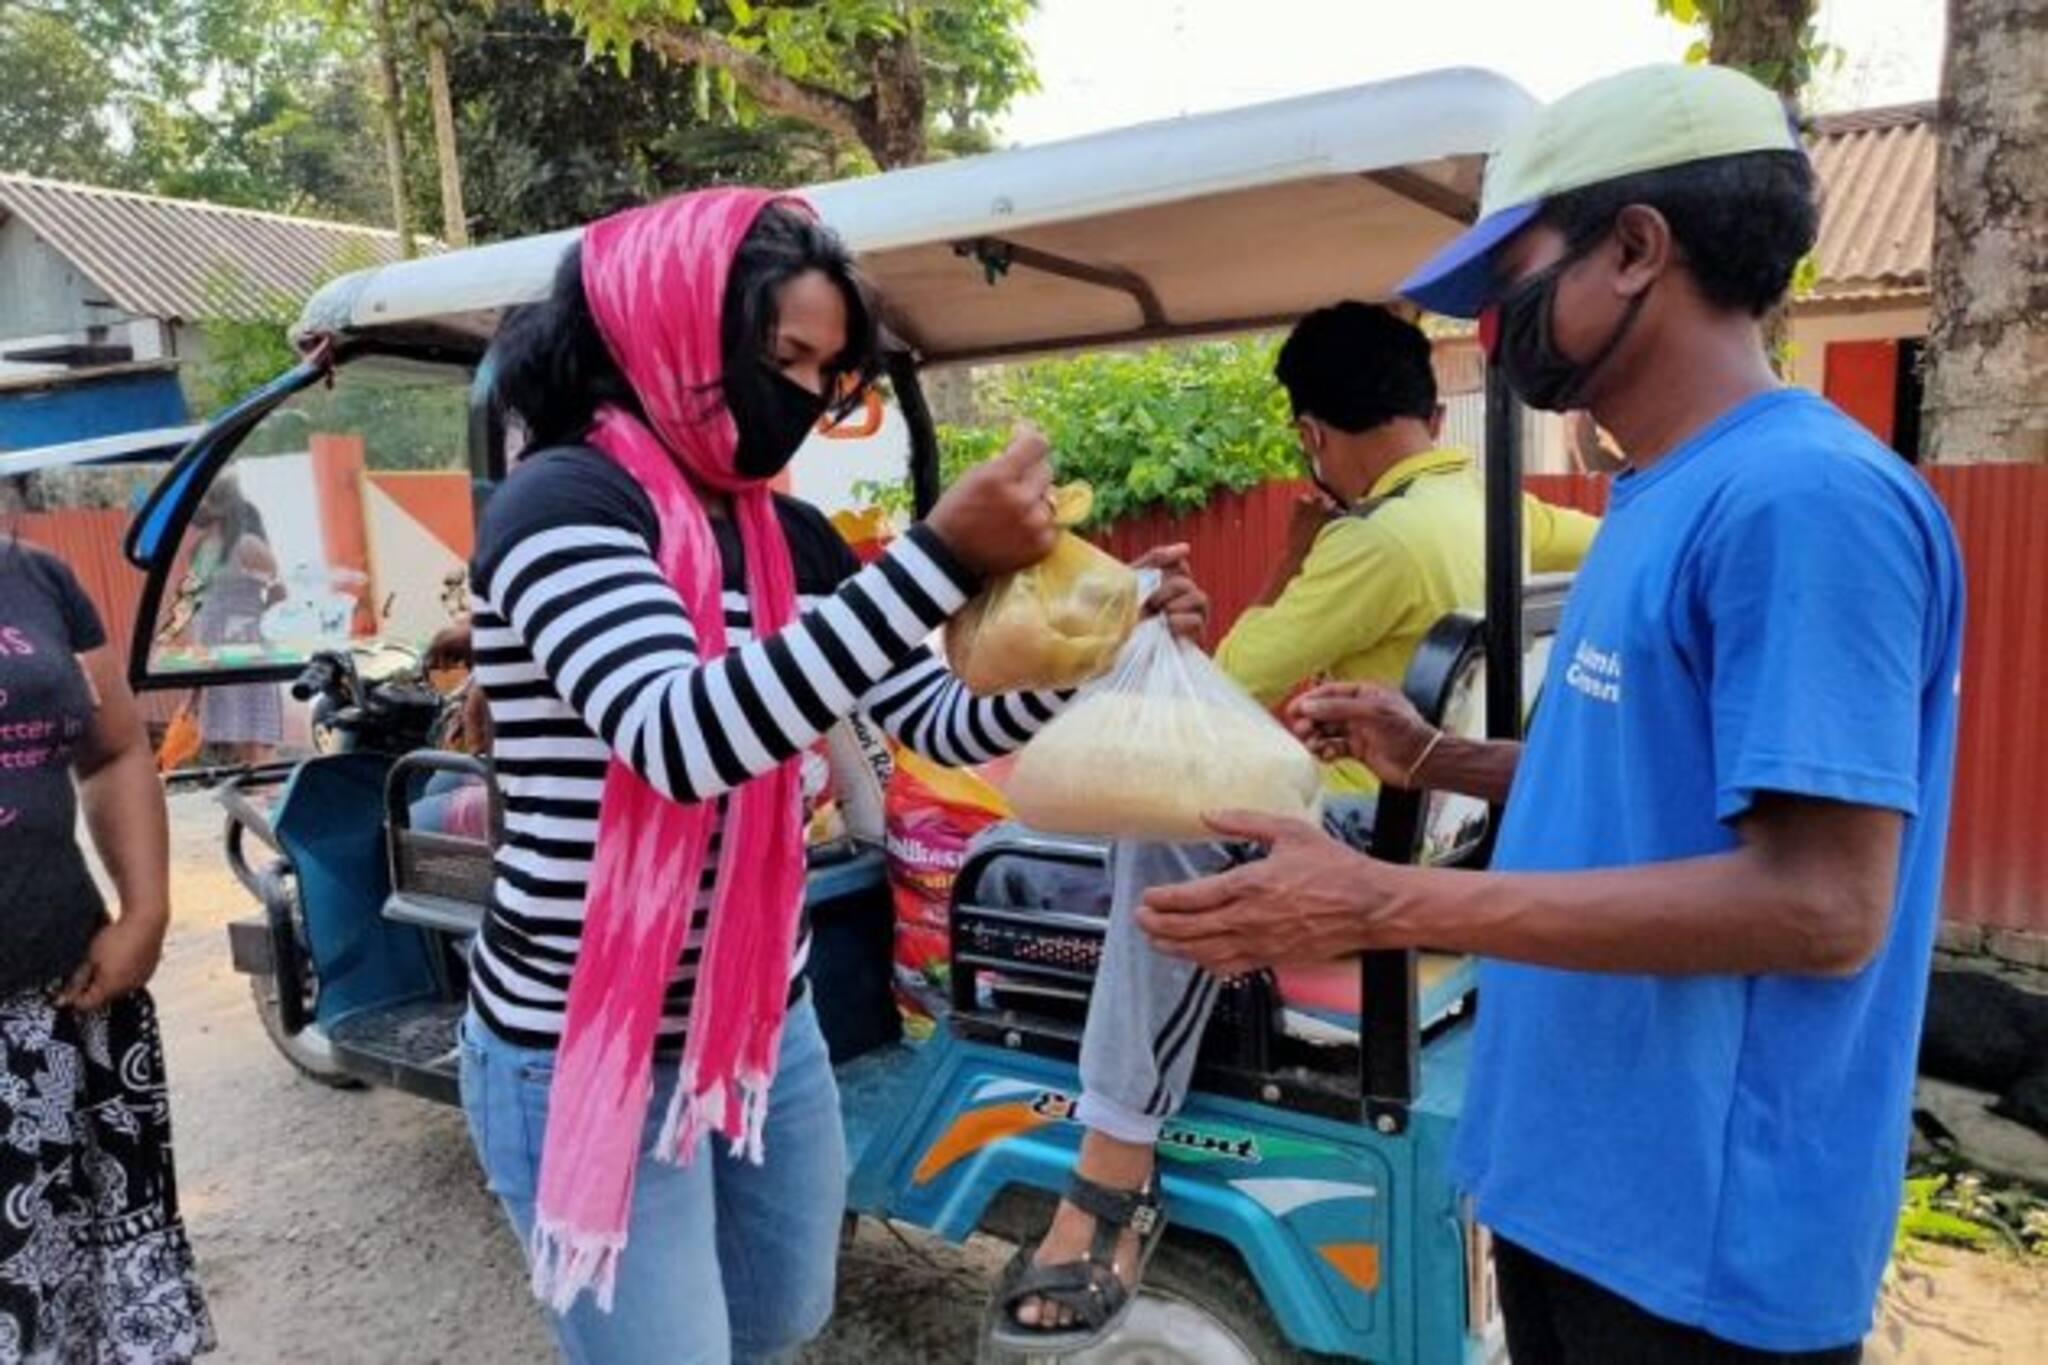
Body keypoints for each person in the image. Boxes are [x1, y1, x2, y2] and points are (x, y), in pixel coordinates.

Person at [1139, 64, 1964, 1364]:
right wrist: (1438, 754)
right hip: (1575, 1187)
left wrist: (1383, 901)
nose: (1489, 327)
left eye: (1511, 282)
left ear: (1636, 247)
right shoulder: (1652, 497)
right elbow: (1651, 776)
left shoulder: (1804, 501)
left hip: (1694, 1246)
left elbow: (1821, 905)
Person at [460, 187, 1206, 1364]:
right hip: (582, 1048)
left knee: (778, 1326)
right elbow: (680, 737)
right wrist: (938, 557)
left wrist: (1106, 649)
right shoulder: (562, 506)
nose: (802, 399)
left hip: (761, 1025)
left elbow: (939, 722)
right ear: (664, 325)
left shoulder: (786, 537)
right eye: (778, 357)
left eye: (823, 372)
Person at [999, 303, 1599, 1350]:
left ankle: (1113, 1150)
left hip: (1371, 833)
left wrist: (1287, 557)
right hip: (1461, 829)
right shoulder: (1501, 511)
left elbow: (1213, 691)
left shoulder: (1374, 543)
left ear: (1314, 435)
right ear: (1423, 404)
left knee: (1157, 821)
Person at [0, 533, 215, 1361]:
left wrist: (146, 909)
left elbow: (117, 747)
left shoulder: (38, 579)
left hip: (57, 1004)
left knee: (72, 1302)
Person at [185, 478, 285, 765]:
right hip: (214, 655)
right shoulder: (201, 549)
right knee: (235, 739)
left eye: (203, 498)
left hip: (246, 653)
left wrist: (249, 625)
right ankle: (252, 798)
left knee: (256, 737)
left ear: (219, 505)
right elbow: (195, 607)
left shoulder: (247, 545)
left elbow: (279, 593)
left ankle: (267, 797)